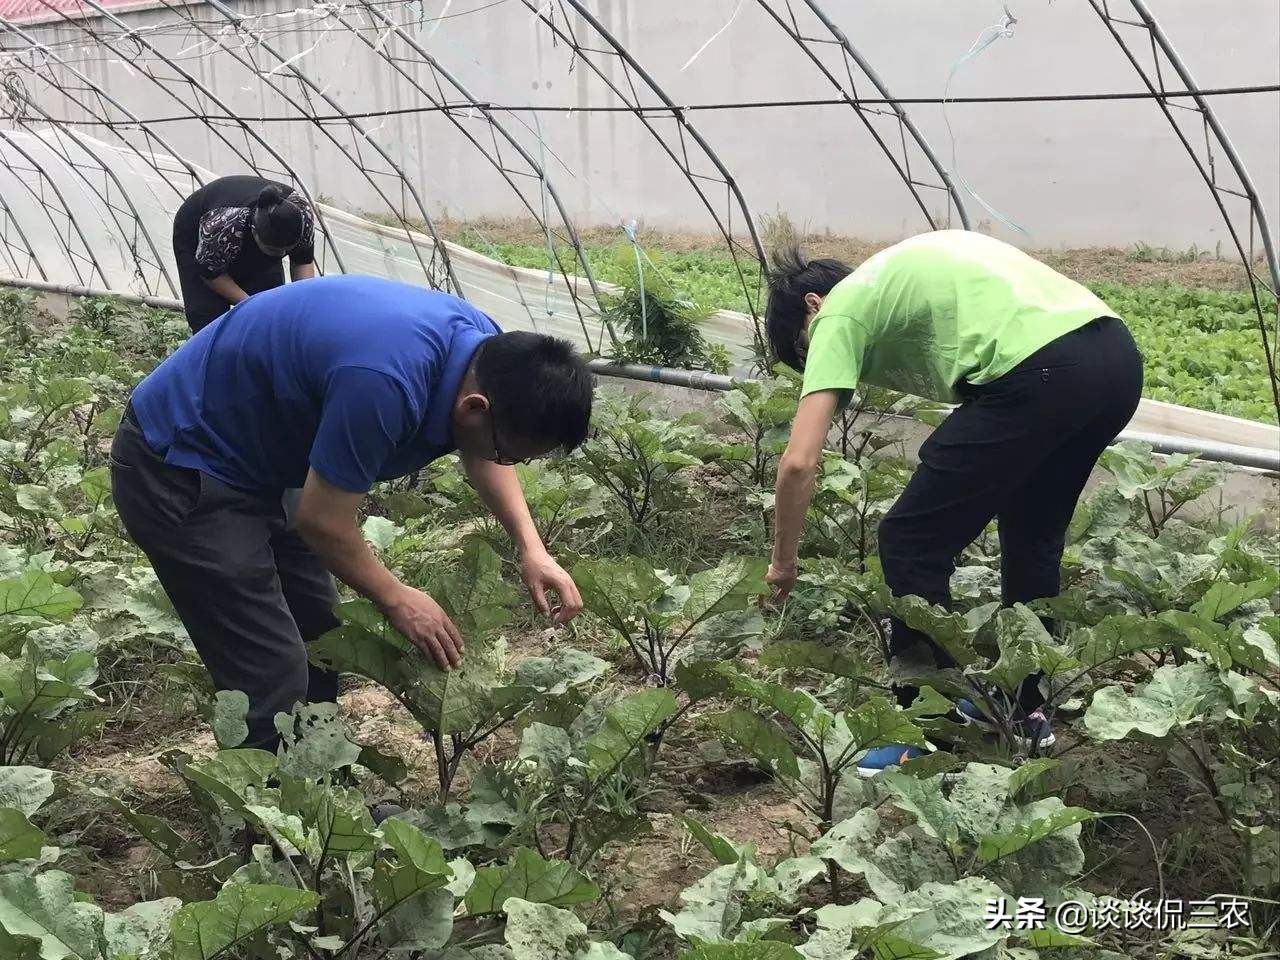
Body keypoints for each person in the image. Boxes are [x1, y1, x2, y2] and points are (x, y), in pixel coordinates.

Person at [109, 274, 592, 749]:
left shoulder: (486, 354)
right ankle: (270, 818)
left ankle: (324, 794)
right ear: (474, 408)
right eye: (512, 455)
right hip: (181, 461)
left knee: (320, 636)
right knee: (271, 667)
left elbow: (483, 448)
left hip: (265, 461)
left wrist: (532, 547)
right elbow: (323, 521)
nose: (510, 465)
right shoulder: (384, 382)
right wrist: (396, 597)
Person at [762, 230, 1143, 774]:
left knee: (909, 538)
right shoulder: (893, 282)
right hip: (1114, 359)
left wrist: (783, 562)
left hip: (1044, 368)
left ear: (813, 306)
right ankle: (1024, 710)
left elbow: (798, 462)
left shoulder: (837, 313)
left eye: (804, 349)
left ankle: (920, 724)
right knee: (1032, 533)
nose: (816, 357)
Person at [172, 175, 317, 332]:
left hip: (241, 241)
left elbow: (303, 262)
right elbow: (211, 275)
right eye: (274, 250)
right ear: (254, 232)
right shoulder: (225, 222)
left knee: (271, 308)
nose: (281, 254)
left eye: (286, 250)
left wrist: (303, 305)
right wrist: (252, 306)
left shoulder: (303, 215)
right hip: (198, 238)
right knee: (209, 320)